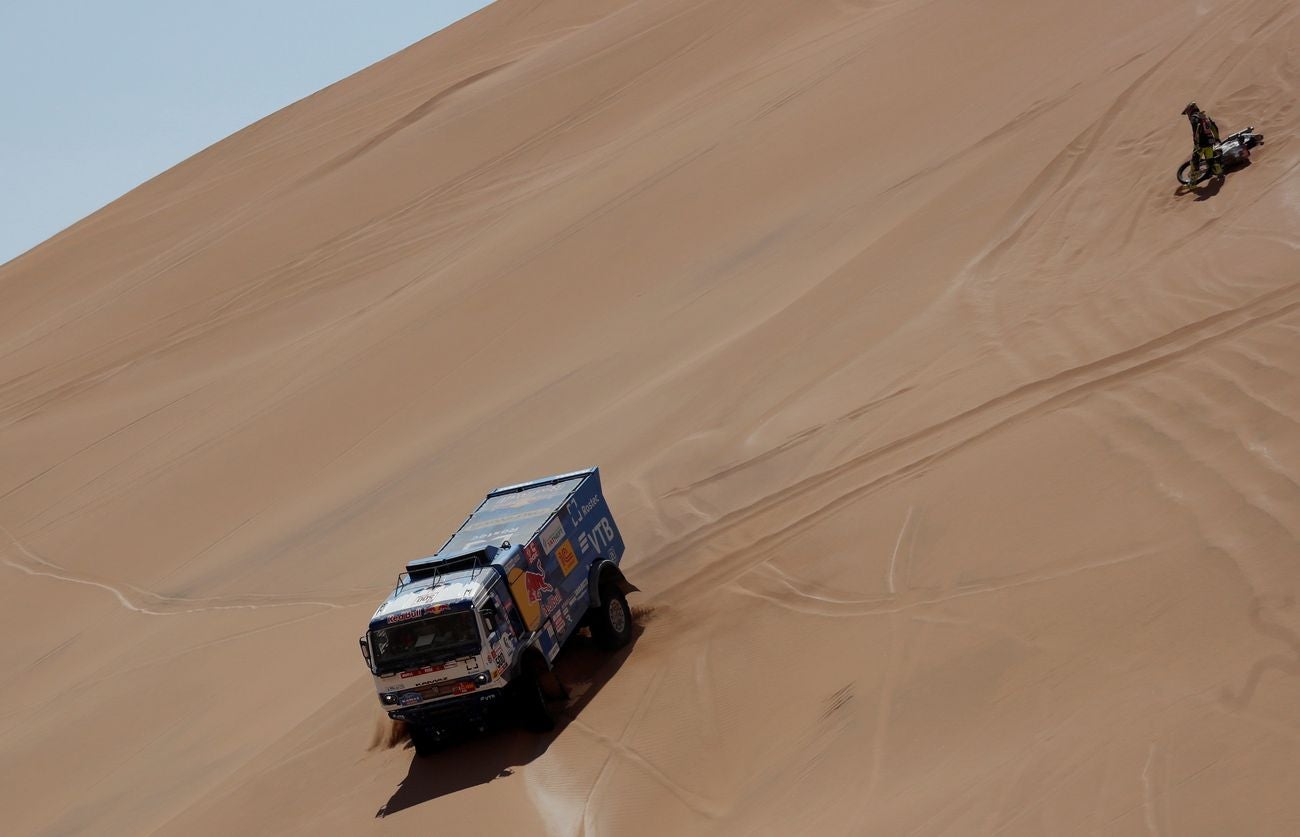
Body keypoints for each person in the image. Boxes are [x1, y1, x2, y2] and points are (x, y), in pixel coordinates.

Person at [1183, 102, 1222, 177]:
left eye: (1187, 112)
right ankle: (1219, 172)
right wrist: (1217, 138)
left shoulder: (1194, 117)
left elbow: (1196, 130)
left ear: (1191, 110)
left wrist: (1196, 143)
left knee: (1195, 161)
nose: (1188, 114)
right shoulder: (1204, 117)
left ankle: (1193, 182)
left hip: (1201, 143)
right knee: (1210, 160)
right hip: (1210, 142)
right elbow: (1214, 127)